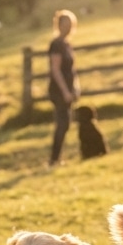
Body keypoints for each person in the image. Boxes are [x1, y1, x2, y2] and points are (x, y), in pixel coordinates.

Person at [47, 9, 78, 167]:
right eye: (64, 24)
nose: (67, 27)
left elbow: (72, 69)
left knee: (65, 124)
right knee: (62, 124)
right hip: (58, 90)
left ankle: (57, 158)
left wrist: (75, 87)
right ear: (58, 25)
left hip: (67, 89)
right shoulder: (56, 45)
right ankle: (54, 159)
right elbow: (55, 69)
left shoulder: (66, 44)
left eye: (69, 24)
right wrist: (65, 91)